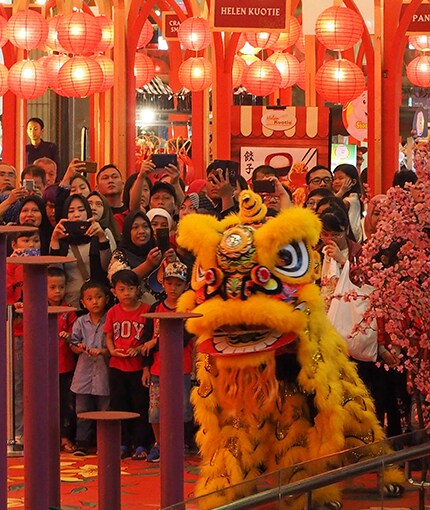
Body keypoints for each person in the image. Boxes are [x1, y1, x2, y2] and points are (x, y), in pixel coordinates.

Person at [141, 262, 195, 462]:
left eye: (178, 284)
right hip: (157, 369)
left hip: (182, 368)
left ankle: (177, 442)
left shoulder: (188, 310)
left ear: (186, 286)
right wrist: (145, 368)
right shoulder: (155, 308)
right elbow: (146, 339)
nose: (173, 288)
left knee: (182, 409)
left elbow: (183, 338)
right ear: (162, 284)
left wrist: (155, 342)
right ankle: (160, 443)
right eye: (169, 283)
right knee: (155, 411)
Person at [104, 269, 154, 458]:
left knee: (141, 405)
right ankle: (122, 443)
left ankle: (141, 443)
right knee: (119, 405)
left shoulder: (146, 310)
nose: (127, 293)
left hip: (138, 367)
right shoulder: (112, 312)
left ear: (138, 289)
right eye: (122, 289)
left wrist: (139, 349)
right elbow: (108, 336)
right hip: (117, 367)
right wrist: (112, 350)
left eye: (131, 288)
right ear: (114, 292)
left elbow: (151, 338)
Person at [6, 228, 41, 448]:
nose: (30, 245)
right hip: (15, 334)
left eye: (35, 241)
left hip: (38, 331)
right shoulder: (9, 267)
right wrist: (12, 264)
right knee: (17, 385)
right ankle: (18, 432)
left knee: (37, 384)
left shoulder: (40, 265)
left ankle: (36, 431)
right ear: (14, 245)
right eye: (25, 240)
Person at [70, 280, 111, 455]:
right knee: (82, 410)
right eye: (90, 299)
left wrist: (102, 351)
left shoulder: (110, 319)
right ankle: (82, 443)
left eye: (99, 297)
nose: (95, 302)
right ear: (83, 302)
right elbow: (73, 344)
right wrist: (79, 348)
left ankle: (106, 443)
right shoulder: (80, 322)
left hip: (104, 372)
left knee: (105, 409)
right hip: (83, 373)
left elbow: (113, 347)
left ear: (106, 299)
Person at [50, 194, 111, 308]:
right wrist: (54, 241)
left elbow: (108, 267)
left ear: (88, 212)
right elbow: (55, 274)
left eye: (81, 210)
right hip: (69, 305)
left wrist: (102, 238)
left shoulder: (101, 233)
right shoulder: (60, 237)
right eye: (71, 211)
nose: (76, 214)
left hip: (96, 304)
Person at [47, 267, 78, 453]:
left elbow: (76, 336)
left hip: (65, 366)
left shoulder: (69, 311)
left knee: (66, 404)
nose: (58, 291)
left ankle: (65, 437)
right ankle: (46, 439)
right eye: (52, 287)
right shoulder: (36, 308)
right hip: (43, 368)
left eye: (61, 287)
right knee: (45, 404)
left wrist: (69, 336)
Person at [108, 210, 165, 293]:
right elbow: (119, 282)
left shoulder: (158, 249)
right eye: (135, 227)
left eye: (145, 226)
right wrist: (148, 264)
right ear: (128, 232)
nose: (141, 231)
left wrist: (171, 261)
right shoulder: (120, 254)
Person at [332, 164, 364, 243]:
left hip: (351, 237)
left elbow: (331, 205)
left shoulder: (352, 198)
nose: (336, 181)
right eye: (334, 179)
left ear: (353, 182)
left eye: (341, 178)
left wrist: (341, 191)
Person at [96, 164, 127, 230]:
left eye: (115, 177)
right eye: (105, 178)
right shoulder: (96, 213)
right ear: (97, 188)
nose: (110, 181)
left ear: (123, 184)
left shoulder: (129, 212)